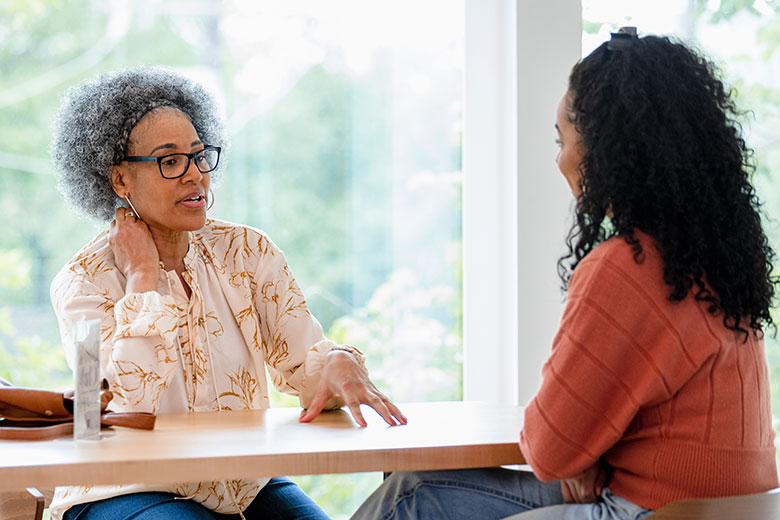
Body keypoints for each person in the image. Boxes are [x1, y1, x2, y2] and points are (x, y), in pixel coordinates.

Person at [351, 28, 779, 520]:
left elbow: (550, 449)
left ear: (609, 149)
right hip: (729, 509)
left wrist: (579, 451)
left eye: (563, 139)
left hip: (649, 510)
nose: (560, 159)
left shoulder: (629, 265)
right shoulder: (712, 262)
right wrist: (586, 450)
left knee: (411, 494)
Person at [48, 66, 406, 520]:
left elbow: (302, 366)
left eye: (200, 156)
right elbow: (106, 415)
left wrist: (336, 365)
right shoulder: (80, 282)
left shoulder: (248, 251)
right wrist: (141, 277)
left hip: (244, 483)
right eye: (170, 160)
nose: (195, 175)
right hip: (125, 489)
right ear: (119, 180)